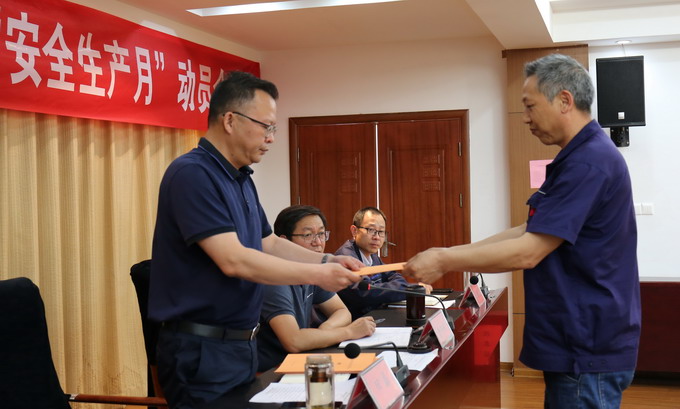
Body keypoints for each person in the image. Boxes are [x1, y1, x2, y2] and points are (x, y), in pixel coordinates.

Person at [403, 54, 640, 409]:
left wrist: (444, 261)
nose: (525, 117)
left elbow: (529, 251)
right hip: (580, 338)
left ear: (564, 100)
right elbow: (529, 229)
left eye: (530, 106)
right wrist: (447, 252)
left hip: (586, 344)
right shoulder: (579, 157)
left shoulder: (589, 162)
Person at [148, 71, 362, 409]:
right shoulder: (193, 174)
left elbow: (269, 243)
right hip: (202, 350)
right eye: (267, 127)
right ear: (230, 120)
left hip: (241, 345)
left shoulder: (240, 178)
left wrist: (327, 260)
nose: (271, 138)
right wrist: (318, 274)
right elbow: (233, 260)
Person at [257, 205, 377, 371]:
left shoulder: (311, 271)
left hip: (300, 360)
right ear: (284, 242)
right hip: (272, 369)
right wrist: (349, 332)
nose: (318, 242)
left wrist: (324, 333)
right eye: (308, 235)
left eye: (321, 234)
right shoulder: (275, 277)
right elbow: (294, 341)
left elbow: (341, 311)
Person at [334, 207, 431, 319]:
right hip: (356, 322)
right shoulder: (345, 258)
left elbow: (395, 277)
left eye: (381, 232)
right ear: (354, 230)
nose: (376, 237)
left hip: (375, 317)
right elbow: (365, 293)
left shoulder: (372, 255)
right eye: (371, 230)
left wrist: (406, 288)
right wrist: (410, 290)